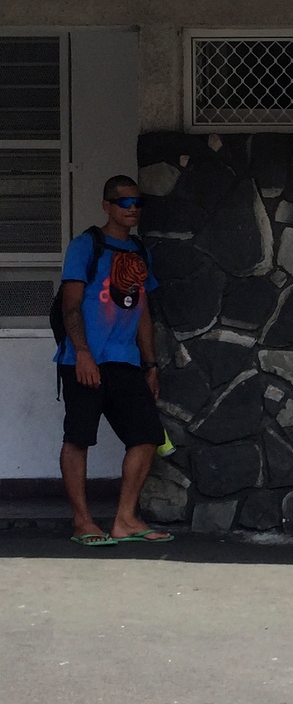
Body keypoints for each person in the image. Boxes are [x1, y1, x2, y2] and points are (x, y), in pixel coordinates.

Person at [56, 175, 171, 546]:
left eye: (138, 202)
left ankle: (124, 519)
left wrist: (150, 365)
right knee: (79, 437)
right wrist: (84, 354)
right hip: (83, 360)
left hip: (125, 361)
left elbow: (142, 311)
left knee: (147, 436)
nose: (132, 208)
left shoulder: (139, 252)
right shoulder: (85, 246)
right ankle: (82, 521)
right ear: (107, 205)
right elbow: (70, 307)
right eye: (124, 202)